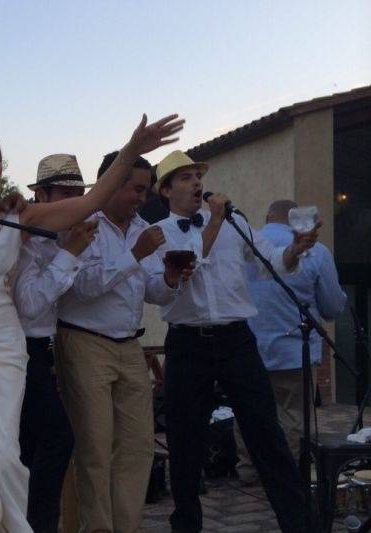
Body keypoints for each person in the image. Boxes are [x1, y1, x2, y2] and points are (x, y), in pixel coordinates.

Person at [0, 113, 185, 532]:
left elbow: (92, 201)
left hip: (4, 349)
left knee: (4, 457)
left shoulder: (20, 218)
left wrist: (132, 149)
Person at [149, 150, 320, 533]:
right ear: (166, 189)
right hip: (188, 343)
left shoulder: (235, 222)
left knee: (267, 434)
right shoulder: (160, 233)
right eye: (185, 177)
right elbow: (184, 271)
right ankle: (187, 526)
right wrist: (212, 223)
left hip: (237, 340)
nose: (196, 182)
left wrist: (295, 249)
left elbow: (269, 261)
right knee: (185, 443)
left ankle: (299, 524)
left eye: (198, 175)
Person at [54, 151, 190, 533]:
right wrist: (136, 254)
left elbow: (151, 293)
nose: (140, 198)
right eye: (134, 189)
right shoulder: (82, 225)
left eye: (145, 190)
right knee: (94, 450)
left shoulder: (140, 228)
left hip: (131, 347)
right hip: (84, 342)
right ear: (110, 184)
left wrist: (170, 278)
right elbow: (81, 287)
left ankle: (126, 527)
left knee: (136, 448)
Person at [234, 199, 346, 485]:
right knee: (293, 414)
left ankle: (249, 470)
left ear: (268, 217)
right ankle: (287, 472)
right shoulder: (317, 252)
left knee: (248, 411)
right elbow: (332, 307)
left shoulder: (244, 248)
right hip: (293, 348)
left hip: (245, 347)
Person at [13, 154, 95, 532]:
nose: (73, 202)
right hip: (21, 351)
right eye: (65, 193)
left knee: (32, 447)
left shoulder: (63, 236)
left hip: (48, 349)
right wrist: (71, 254)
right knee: (57, 438)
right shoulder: (26, 239)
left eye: (78, 194)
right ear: (42, 196)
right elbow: (28, 305)